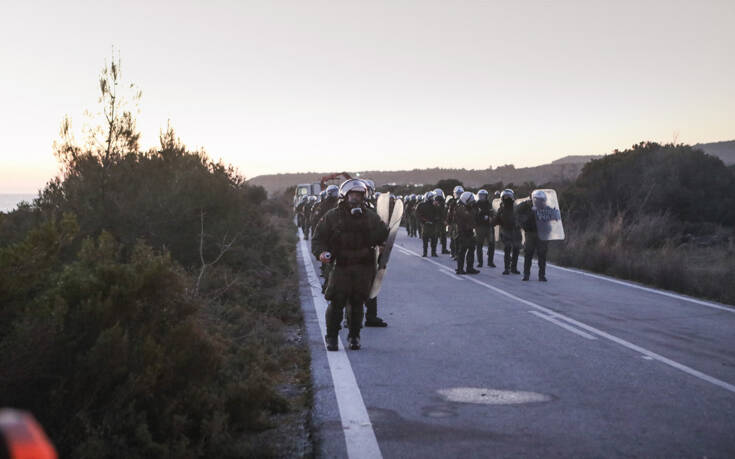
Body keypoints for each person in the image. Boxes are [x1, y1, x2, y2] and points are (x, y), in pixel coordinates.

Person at [312, 179, 389, 351]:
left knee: (357, 303)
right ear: (345, 196)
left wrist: (383, 241)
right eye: (352, 194)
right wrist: (321, 253)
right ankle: (332, 337)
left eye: (359, 194)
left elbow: (381, 235)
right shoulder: (332, 217)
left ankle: (354, 336)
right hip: (341, 267)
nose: (356, 198)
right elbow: (318, 239)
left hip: (363, 267)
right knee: (337, 302)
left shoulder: (371, 217)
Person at [518, 190, 559, 281]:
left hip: (542, 234)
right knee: (528, 253)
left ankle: (542, 275)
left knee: (542, 254)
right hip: (530, 233)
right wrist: (531, 213)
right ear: (534, 199)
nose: (539, 201)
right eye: (538, 199)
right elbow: (522, 219)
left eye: (541, 199)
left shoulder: (546, 208)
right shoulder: (528, 208)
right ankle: (526, 274)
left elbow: (552, 219)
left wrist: (555, 214)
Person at [492, 189, 522, 275]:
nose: (507, 199)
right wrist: (493, 221)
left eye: (509, 197)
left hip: (515, 231)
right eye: (505, 197)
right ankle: (506, 268)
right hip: (506, 231)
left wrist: (520, 223)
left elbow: (521, 217)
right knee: (507, 248)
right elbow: (495, 221)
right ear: (502, 198)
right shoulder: (501, 209)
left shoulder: (517, 207)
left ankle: (513, 267)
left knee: (516, 249)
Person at [455, 191, 480, 274]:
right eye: (470, 200)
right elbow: (467, 217)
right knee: (462, 250)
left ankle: (470, 267)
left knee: (471, 249)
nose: (472, 202)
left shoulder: (470, 208)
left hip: (470, 232)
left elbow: (474, 218)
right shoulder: (460, 208)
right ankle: (460, 268)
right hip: (463, 232)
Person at [474, 189, 496, 268]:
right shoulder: (476, 204)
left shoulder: (489, 204)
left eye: (483, 196)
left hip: (489, 227)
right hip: (480, 227)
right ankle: (480, 262)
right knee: (479, 245)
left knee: (491, 244)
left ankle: (490, 262)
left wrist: (491, 217)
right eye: (480, 195)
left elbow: (492, 213)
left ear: (486, 196)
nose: (482, 197)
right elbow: (474, 216)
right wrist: (483, 217)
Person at [416, 191, 440, 257]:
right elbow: (418, 214)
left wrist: (423, 221)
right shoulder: (423, 205)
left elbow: (418, 214)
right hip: (428, 225)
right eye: (431, 197)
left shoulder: (423, 205)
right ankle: (431, 252)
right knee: (430, 239)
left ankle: (427, 253)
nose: (432, 198)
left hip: (428, 224)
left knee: (429, 240)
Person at [447, 185, 464, 259]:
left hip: (462, 223)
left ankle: (459, 253)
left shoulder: (464, 202)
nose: (459, 195)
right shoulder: (452, 202)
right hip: (453, 223)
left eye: (460, 193)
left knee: (461, 239)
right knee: (454, 238)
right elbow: (449, 213)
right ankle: (453, 252)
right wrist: (448, 222)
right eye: (457, 193)